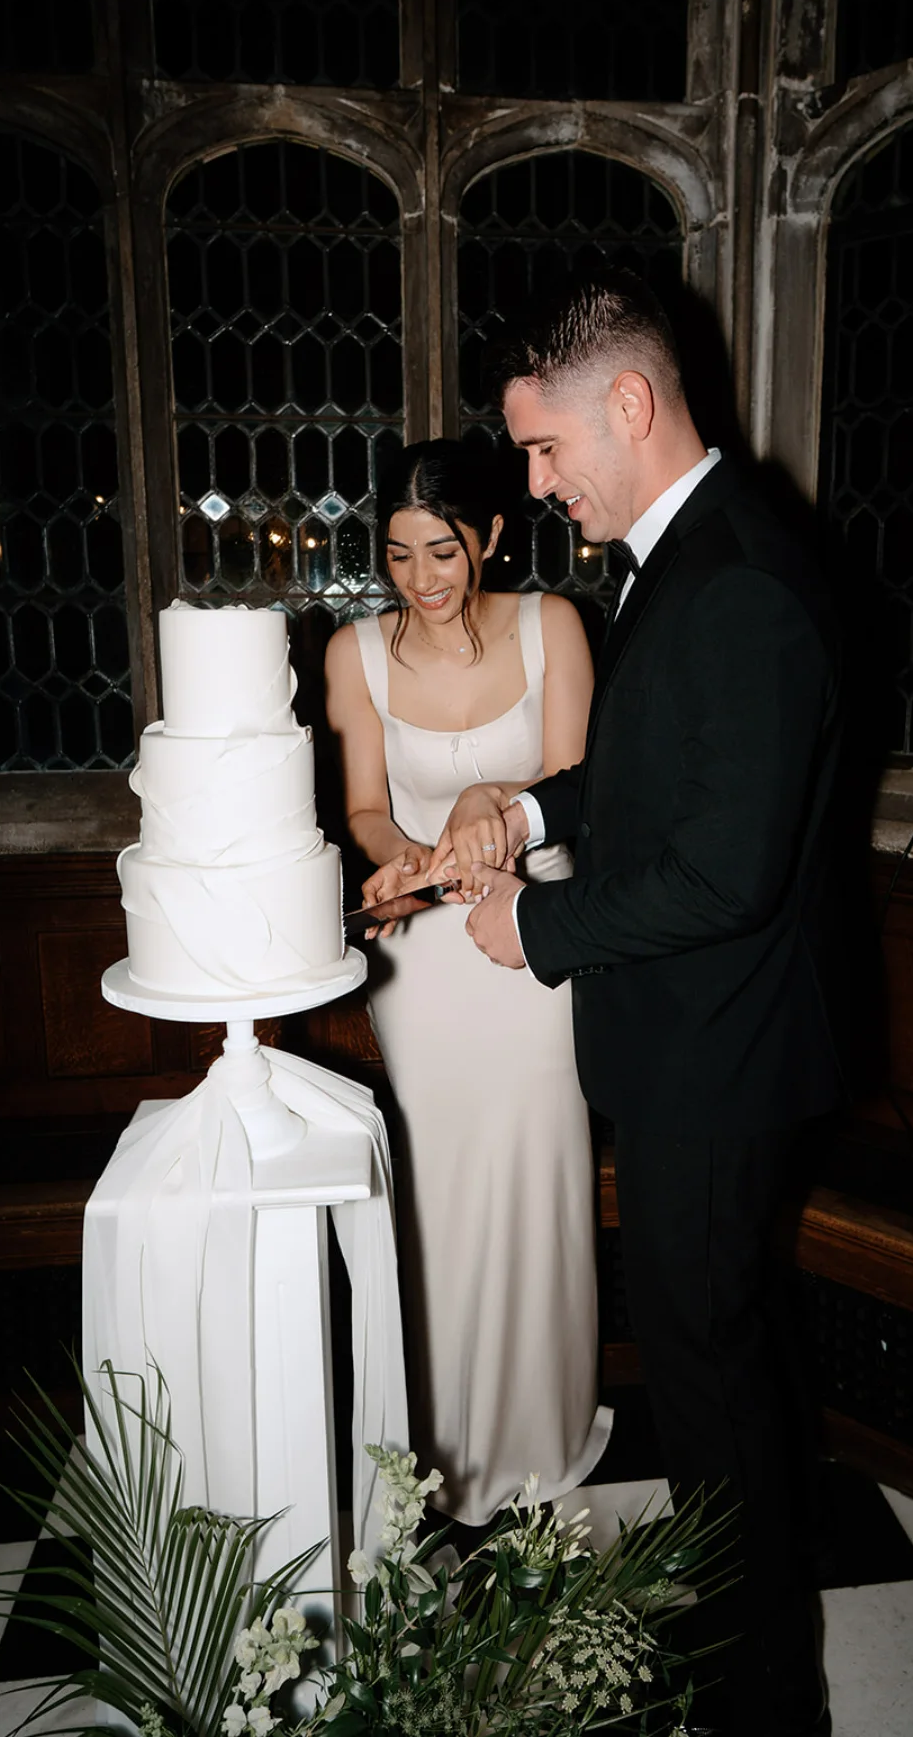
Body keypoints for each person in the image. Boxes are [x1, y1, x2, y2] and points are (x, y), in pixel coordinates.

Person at [431, 272, 845, 1736]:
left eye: (545, 451)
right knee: (711, 1372)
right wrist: (531, 811)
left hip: (718, 1068)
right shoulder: (681, 559)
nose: (536, 485)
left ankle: (763, 1704)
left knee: (718, 1397)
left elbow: (725, 871)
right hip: (690, 1056)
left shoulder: (734, 572)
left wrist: (534, 923)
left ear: (631, 401)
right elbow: (649, 782)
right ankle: (747, 1663)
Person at [324, 438, 611, 1528]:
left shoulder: (553, 627)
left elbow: (576, 778)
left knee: (535, 1171)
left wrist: (488, 800)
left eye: (441, 549)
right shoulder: (356, 651)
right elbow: (360, 806)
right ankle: (434, 1439)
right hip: (422, 961)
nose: (422, 577)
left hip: (534, 929)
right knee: (437, 1189)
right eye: (398, 555)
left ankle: (537, 1425)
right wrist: (400, 860)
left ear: (490, 536)